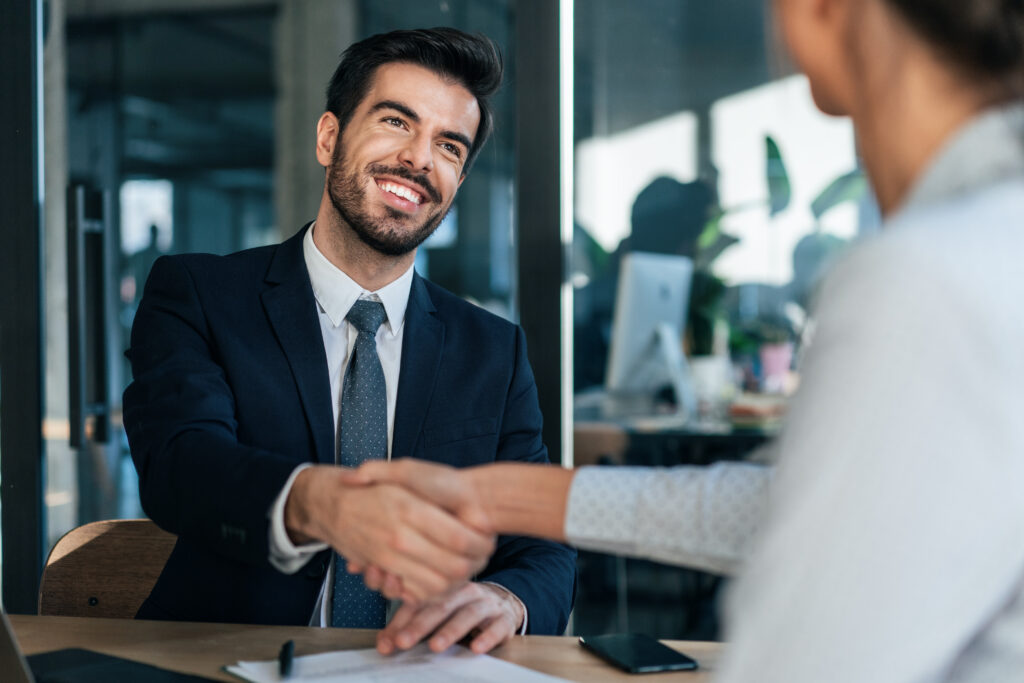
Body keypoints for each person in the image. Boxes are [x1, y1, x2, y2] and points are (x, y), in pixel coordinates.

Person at [347, 0, 1024, 680]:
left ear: (823, 10)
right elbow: (808, 504)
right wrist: (495, 497)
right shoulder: (987, 240)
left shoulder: (929, 274)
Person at [122, 27, 575, 655]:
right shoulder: (201, 293)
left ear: (458, 181)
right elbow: (179, 465)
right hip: (229, 661)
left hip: (422, 667)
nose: (419, 159)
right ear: (329, 136)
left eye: (449, 146)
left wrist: (507, 599)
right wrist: (316, 501)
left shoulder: (493, 351)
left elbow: (542, 543)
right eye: (397, 121)